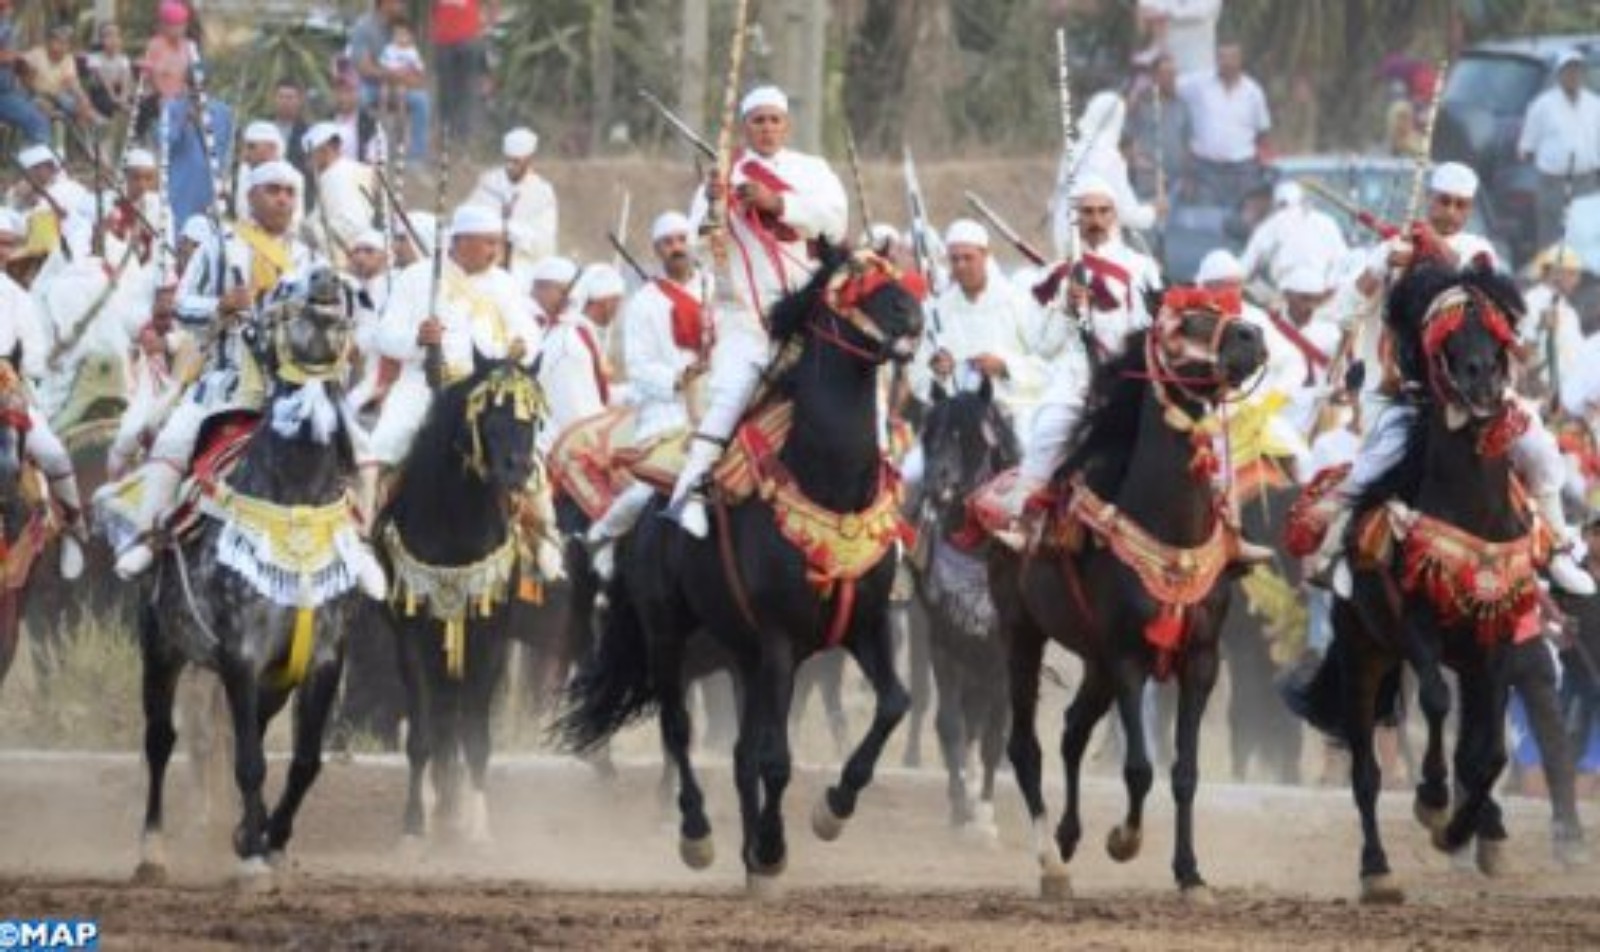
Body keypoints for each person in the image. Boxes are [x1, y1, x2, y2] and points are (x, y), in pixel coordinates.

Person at [107, 161, 391, 598]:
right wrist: (221, 306)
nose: (282, 199)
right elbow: (182, 307)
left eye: (289, 192)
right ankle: (149, 537)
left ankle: (362, 543)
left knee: (366, 454)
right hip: (228, 382)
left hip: (301, 388)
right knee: (172, 445)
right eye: (273, 190)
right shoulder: (220, 247)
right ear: (252, 197)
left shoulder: (310, 257)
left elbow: (340, 315)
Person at [1310, 162, 1595, 597]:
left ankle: (1555, 547)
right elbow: (1347, 306)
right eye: (1444, 202)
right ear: (1430, 200)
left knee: (1540, 446)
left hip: (1479, 387)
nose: (1451, 211)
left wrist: (1429, 251)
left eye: (1461, 205)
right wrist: (1383, 265)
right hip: (1410, 392)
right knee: (1371, 464)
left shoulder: (1478, 248)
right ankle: (1338, 553)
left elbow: (1478, 278)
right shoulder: (1392, 251)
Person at [669, 84, 848, 537]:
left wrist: (777, 202)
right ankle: (688, 492)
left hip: (811, 315)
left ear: (786, 125)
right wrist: (716, 202)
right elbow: (700, 251)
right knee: (732, 392)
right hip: (748, 318)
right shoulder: (724, 176)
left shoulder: (814, 170)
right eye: (757, 121)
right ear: (745, 128)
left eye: (774, 120)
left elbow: (835, 222)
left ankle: (880, 503)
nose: (767, 128)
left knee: (861, 393)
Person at [1007, 175, 1163, 513]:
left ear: (1114, 216)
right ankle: (1022, 518)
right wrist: (1066, 307)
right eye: (1087, 212)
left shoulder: (1141, 268)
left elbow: (1151, 329)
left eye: (1103, 211)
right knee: (1046, 435)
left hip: (1129, 379)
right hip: (1074, 379)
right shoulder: (1056, 274)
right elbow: (1042, 346)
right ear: (1075, 218)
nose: (1095, 220)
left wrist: (1101, 314)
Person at [369, 203, 541, 468]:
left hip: (490, 389)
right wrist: (418, 339)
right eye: (488, 243)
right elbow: (384, 336)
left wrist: (522, 345)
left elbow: (529, 331)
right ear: (461, 241)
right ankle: (371, 506)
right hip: (426, 383)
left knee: (530, 456)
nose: (495, 251)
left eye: (497, 243)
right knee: (384, 444)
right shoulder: (417, 277)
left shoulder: (505, 283)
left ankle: (541, 510)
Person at [584, 212, 711, 567]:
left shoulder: (713, 289)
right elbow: (639, 369)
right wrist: (680, 377)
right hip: (666, 411)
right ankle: (602, 536)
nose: (677, 248)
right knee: (646, 490)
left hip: (718, 405)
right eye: (668, 243)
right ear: (657, 250)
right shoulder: (644, 304)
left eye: (682, 240)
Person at [0, 208, 88, 579]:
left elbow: (34, 350)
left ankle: (73, 530)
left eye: (6, 245)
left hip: (4, 381)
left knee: (50, 452)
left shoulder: (16, 296)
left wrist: (20, 379)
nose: (0, 250)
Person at [1051, 91, 1159, 258]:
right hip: (1095, 248)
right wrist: (1155, 211)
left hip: (1062, 241)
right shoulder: (1110, 158)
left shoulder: (1071, 152)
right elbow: (1128, 214)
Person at [537, 263, 626, 454]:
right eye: (618, 301)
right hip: (560, 452)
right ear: (606, 302)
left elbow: (598, 394)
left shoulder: (578, 333)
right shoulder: (570, 343)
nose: (618, 308)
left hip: (575, 441)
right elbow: (578, 416)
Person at [1518, 50, 1600, 253]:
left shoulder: (1594, 104)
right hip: (1553, 181)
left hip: (1585, 180)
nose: (1573, 75)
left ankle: (1584, 278)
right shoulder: (1542, 105)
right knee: (1551, 236)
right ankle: (1549, 279)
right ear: (1559, 74)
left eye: (1577, 70)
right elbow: (1526, 148)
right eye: (1568, 70)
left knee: (1585, 231)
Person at [1179, 41, 1271, 207]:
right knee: (1206, 221)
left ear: (1240, 60)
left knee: (1242, 220)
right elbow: (1167, 84)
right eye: (1222, 57)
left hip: (1243, 170)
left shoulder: (1253, 92)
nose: (1227, 62)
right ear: (1216, 59)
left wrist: (1262, 163)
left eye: (1232, 57)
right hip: (1205, 169)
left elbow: (1262, 131)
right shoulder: (1198, 85)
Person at [466, 127, 557, 286]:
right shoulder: (489, 183)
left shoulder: (542, 192)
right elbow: (468, 218)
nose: (510, 166)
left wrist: (511, 231)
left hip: (522, 267)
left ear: (529, 160)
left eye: (516, 162)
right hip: (485, 264)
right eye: (507, 160)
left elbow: (545, 243)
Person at [350, 0, 431, 164]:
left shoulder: (405, 26)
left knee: (421, 101)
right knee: (362, 99)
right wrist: (391, 74)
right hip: (372, 85)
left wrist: (409, 78)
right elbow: (363, 67)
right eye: (399, 2)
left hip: (402, 85)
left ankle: (415, 159)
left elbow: (416, 66)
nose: (402, 6)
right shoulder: (364, 27)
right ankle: (365, 154)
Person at [1238, 181, 1349, 292]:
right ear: (1302, 200)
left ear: (1276, 203)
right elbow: (1343, 261)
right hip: (1320, 290)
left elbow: (1245, 267)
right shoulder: (1327, 222)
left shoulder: (1271, 225)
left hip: (1288, 291)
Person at [1517, 244, 1585, 407]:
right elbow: (1522, 353)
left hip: (1568, 399)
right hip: (1541, 397)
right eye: (1572, 273)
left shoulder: (1570, 312)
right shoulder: (1531, 301)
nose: (1577, 280)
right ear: (1554, 272)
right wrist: (1540, 328)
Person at [303, 123, 376, 271]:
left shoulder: (336, 177)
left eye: (310, 155)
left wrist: (311, 232)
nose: (307, 163)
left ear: (325, 151)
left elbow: (351, 224)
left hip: (345, 263)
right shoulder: (343, 171)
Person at [1127, 53, 1192, 204]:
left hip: (1176, 184)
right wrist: (1140, 163)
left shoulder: (1182, 105)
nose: (1171, 78)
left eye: (1174, 74)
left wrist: (1188, 177)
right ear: (1154, 76)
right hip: (1147, 182)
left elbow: (1186, 143)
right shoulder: (1139, 104)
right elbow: (1126, 141)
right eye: (1166, 74)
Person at [432, 0, 497, 143]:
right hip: (443, 41)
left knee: (466, 89)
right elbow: (434, 8)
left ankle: (464, 136)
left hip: (468, 40)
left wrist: (488, 29)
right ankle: (446, 135)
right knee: (445, 91)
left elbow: (493, 3)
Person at [23, 25, 98, 130]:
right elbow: (24, 82)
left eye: (66, 42)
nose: (63, 46)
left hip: (57, 95)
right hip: (34, 95)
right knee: (43, 107)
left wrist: (82, 98)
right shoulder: (35, 55)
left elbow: (72, 83)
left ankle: (80, 141)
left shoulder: (68, 58)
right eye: (58, 41)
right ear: (49, 42)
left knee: (83, 110)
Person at [233, 121, 305, 229]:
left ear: (272, 148)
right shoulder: (245, 171)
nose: (245, 154)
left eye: (251, 147)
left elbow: (294, 223)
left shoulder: (292, 178)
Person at [1136, 0, 1223, 80]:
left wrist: (1166, 13)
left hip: (1198, 65)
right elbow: (1145, 10)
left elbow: (1202, 12)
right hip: (1162, 66)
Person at [0, 0, 47, 144]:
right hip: (4, 95)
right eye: (2, 8)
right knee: (36, 120)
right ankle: (40, 163)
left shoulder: (8, 29)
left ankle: (40, 160)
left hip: (9, 92)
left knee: (40, 113)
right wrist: (11, 57)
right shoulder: (6, 30)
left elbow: (15, 63)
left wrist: (23, 64)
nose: (6, 11)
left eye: (7, 8)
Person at [142, 0, 194, 102]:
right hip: (159, 98)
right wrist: (162, 95)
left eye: (181, 25)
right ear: (164, 26)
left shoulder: (189, 46)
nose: (178, 29)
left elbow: (194, 74)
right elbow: (150, 75)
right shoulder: (155, 45)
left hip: (183, 97)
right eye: (174, 25)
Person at [84, 22, 135, 120]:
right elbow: (103, 79)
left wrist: (123, 97)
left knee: (137, 103)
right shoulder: (94, 57)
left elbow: (126, 79)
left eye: (117, 35)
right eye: (109, 35)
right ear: (101, 40)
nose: (113, 39)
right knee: (112, 104)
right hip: (100, 93)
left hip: (118, 93)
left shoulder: (123, 58)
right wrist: (115, 98)